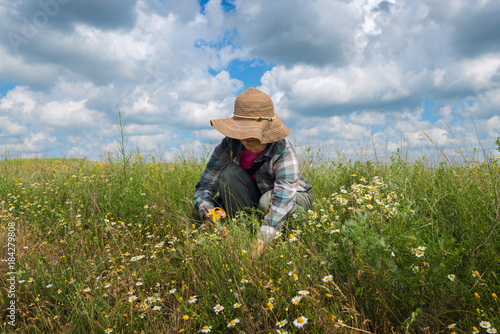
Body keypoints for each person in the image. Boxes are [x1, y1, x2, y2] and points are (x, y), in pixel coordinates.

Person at [193, 87, 312, 251]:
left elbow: (281, 200)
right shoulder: (230, 143)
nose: (246, 139)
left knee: (267, 202)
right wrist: (208, 210)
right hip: (255, 194)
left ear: (267, 130)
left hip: (290, 197)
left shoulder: (283, 150)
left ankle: (302, 222)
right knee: (227, 173)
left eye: (252, 133)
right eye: (243, 132)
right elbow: (204, 186)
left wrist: (260, 245)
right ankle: (244, 227)